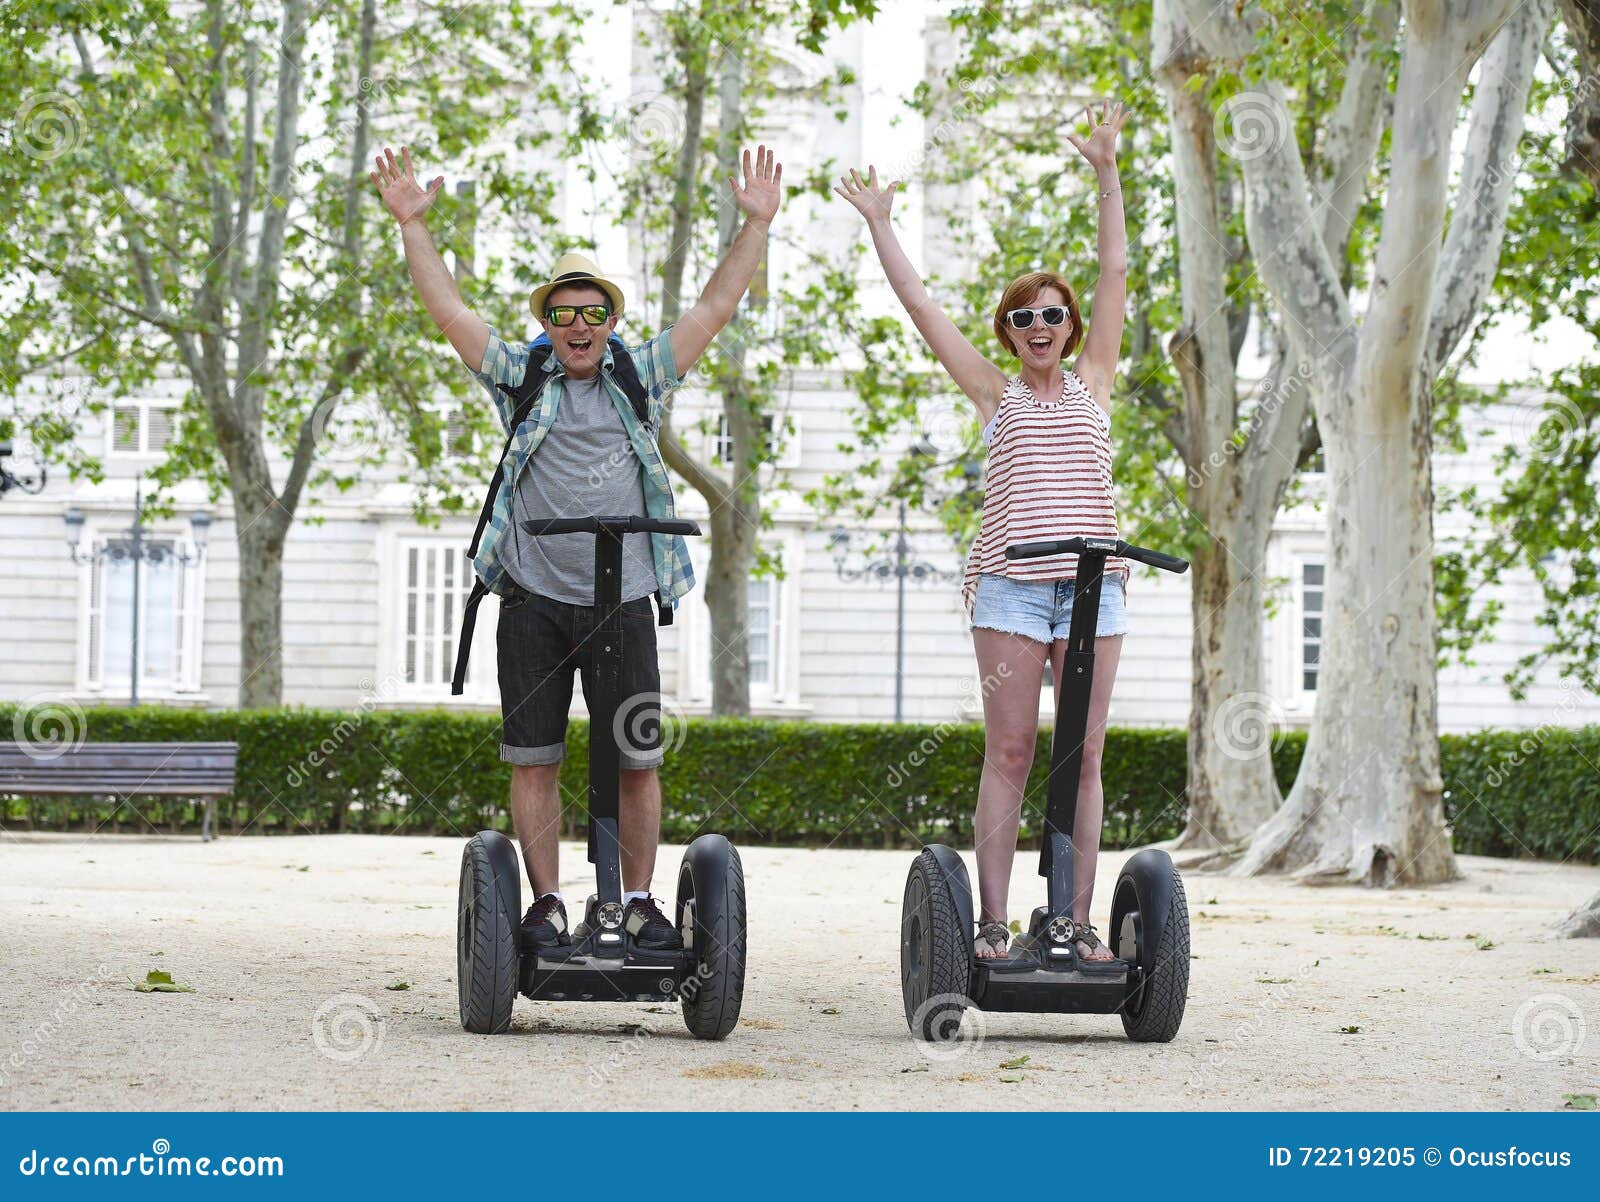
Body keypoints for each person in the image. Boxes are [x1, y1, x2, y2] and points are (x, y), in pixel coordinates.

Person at [374, 143, 783, 950]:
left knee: (637, 759)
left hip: (623, 600)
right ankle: (549, 905)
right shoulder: (521, 376)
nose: (577, 327)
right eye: (562, 314)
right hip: (532, 598)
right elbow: (450, 314)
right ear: (546, 325)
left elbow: (711, 310)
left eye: (592, 313)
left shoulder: (643, 375)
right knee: (535, 758)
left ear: (610, 321)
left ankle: (634, 901)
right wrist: (414, 226)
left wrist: (756, 224)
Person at [836, 101, 1131, 961]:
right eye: (1021, 319)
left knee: (1082, 755)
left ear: (1071, 328)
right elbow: (922, 307)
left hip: (1095, 588)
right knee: (1011, 747)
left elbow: (1113, 274)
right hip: (1010, 587)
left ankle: (1076, 923)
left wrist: (1107, 173)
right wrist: (884, 226)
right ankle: (995, 921)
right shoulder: (994, 394)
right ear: (1008, 333)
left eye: (1052, 316)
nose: (1038, 328)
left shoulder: (1095, 382)